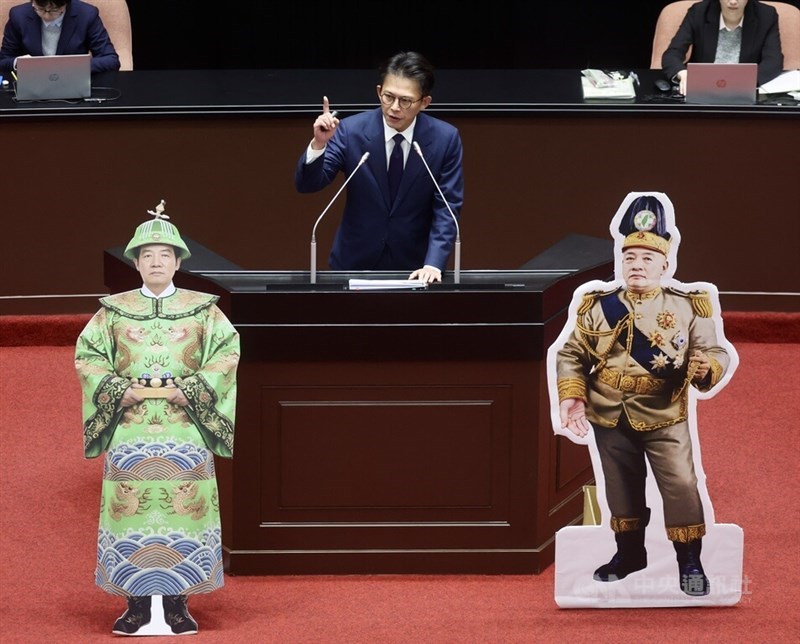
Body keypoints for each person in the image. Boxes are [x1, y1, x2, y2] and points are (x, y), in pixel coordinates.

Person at [75, 201, 239, 635]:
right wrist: (119, 390)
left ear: (179, 261)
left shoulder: (205, 310)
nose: (155, 261)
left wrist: (189, 390)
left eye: (164, 254)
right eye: (146, 255)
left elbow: (227, 355)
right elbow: (88, 358)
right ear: (135, 262)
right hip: (130, 428)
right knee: (131, 512)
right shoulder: (112, 311)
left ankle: (178, 602)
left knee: (183, 510)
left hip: (184, 429)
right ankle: (134, 603)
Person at [555, 195, 731, 597]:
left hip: (665, 410)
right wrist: (573, 395)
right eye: (629, 257)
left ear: (666, 265)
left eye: (647, 258)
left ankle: (690, 560)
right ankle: (629, 553)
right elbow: (572, 352)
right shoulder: (597, 306)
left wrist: (708, 368)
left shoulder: (691, 306)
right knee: (619, 486)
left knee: (682, 485)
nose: (636, 264)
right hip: (608, 410)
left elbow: (716, 351)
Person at [295, 51, 464, 284]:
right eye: (388, 97)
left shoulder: (445, 139)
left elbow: (447, 207)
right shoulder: (350, 131)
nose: (394, 108)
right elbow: (308, 184)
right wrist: (319, 144)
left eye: (405, 101)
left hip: (415, 268)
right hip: (354, 265)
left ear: (424, 102)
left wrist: (433, 262)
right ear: (378, 92)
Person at [661, 0, 783, 95]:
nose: (733, 2)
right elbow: (672, 54)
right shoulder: (699, 12)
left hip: (744, 92)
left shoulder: (766, 15)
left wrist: (743, 82)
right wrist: (683, 74)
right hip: (702, 89)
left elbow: (773, 61)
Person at [0, 0, 120, 76]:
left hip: (74, 83)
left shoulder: (86, 14)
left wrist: (72, 66)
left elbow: (111, 60)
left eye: (55, 10)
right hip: (31, 84)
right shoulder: (18, 15)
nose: (47, 15)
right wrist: (19, 63)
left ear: (66, 4)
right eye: (40, 9)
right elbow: (3, 61)